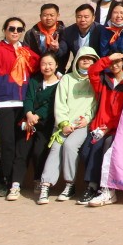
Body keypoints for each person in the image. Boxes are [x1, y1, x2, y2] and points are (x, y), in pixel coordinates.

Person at [0, 18, 40, 199]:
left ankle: (13, 180)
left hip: (24, 105)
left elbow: (42, 67)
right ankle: (6, 181)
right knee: (7, 144)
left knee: (21, 144)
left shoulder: (27, 52)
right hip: (4, 103)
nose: (15, 32)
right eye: (11, 28)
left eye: (19, 29)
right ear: (4, 30)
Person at [38, 46, 99, 203]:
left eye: (90, 58)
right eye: (82, 58)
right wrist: (63, 123)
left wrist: (87, 119)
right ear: (76, 61)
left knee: (70, 145)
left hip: (83, 125)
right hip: (64, 124)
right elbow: (60, 103)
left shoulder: (95, 80)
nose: (86, 60)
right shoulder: (67, 79)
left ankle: (69, 184)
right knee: (56, 147)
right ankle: (45, 184)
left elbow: (94, 104)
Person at [10, 51, 61, 202]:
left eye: (50, 64)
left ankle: (38, 180)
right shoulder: (34, 81)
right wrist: (29, 113)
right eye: (44, 64)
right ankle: (15, 184)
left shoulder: (59, 84)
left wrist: (37, 116)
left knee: (39, 151)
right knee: (22, 151)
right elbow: (29, 98)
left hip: (45, 124)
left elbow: (51, 105)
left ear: (56, 65)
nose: (47, 67)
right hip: (28, 122)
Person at [82, 52, 123, 207]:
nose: (114, 65)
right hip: (99, 126)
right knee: (86, 151)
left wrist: (111, 126)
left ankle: (95, 186)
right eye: (112, 62)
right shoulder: (103, 80)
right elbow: (92, 71)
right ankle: (93, 184)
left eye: (118, 62)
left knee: (105, 149)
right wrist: (107, 59)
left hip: (117, 128)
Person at [24, 3, 68, 72]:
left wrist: (56, 50)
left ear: (58, 15)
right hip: (35, 71)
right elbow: (26, 53)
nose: (48, 18)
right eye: (45, 15)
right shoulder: (31, 33)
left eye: (52, 15)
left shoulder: (64, 32)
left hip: (57, 71)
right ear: (40, 16)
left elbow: (64, 53)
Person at [61, 3, 102, 73]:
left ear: (93, 18)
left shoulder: (101, 30)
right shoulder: (68, 32)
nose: (82, 20)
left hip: (97, 67)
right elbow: (63, 52)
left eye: (86, 17)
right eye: (79, 16)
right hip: (77, 67)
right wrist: (56, 49)